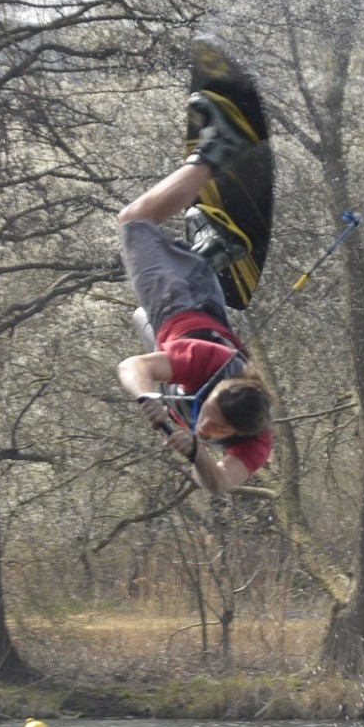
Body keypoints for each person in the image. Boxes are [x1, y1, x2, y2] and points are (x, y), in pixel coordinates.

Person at [117, 94, 274, 496]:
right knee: (134, 220)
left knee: (138, 316)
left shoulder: (256, 443)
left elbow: (217, 484)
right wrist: (145, 398)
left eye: (218, 427)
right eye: (211, 414)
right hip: (178, 306)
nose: (207, 426)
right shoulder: (211, 364)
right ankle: (219, 145)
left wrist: (196, 453)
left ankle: (211, 253)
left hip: (193, 314)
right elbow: (133, 367)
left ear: (240, 433)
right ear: (217, 390)